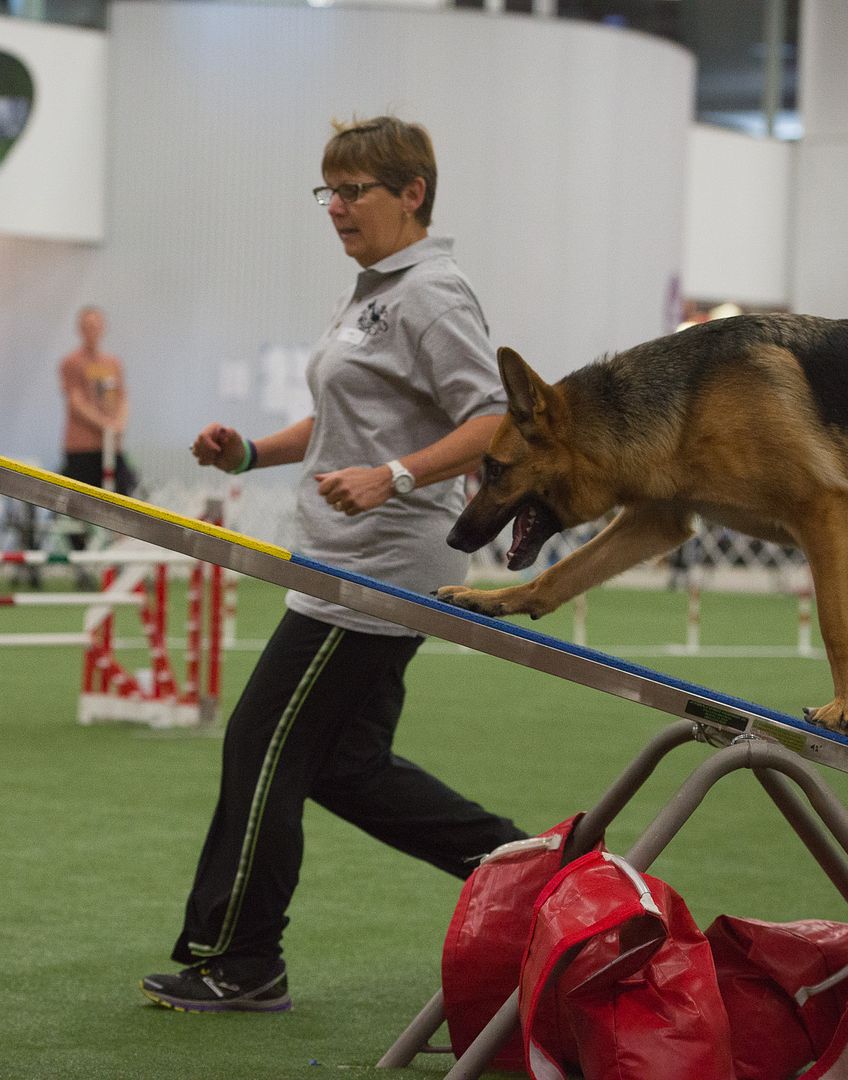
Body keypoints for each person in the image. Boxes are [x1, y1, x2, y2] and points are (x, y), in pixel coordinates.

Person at [140, 116, 527, 1014]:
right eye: (330, 190)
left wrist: (395, 478)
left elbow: (493, 419)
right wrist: (248, 456)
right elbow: (340, 428)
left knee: (262, 742)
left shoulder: (432, 293)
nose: (338, 208)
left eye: (354, 191)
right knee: (348, 767)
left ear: (413, 194)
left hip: (381, 569)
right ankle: (533, 868)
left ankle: (243, 959)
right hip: (345, 556)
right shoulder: (374, 292)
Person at [58, 305, 138, 503]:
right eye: (87, 326)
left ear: (103, 328)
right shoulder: (72, 362)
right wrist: (105, 424)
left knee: (120, 496)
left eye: (96, 325)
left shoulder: (112, 363)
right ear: (80, 329)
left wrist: (119, 423)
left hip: (110, 447)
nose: (92, 331)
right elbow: (75, 403)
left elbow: (122, 397)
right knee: (81, 504)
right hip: (83, 447)